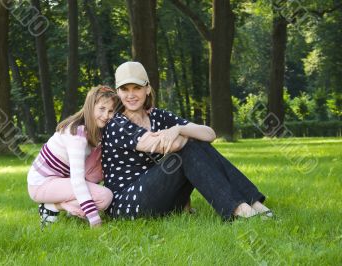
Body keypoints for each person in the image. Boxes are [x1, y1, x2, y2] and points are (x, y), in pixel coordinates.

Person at [101, 62, 273, 221]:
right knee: (188, 147)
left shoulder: (157, 116)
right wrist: (186, 136)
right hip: (127, 203)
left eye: (136, 88)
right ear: (118, 92)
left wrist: (179, 129)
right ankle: (240, 209)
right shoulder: (117, 124)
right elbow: (172, 145)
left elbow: (209, 134)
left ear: (147, 89)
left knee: (196, 143)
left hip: (160, 196)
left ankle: (253, 203)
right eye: (124, 89)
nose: (130, 95)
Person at [27, 85, 119, 228]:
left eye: (110, 111)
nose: (106, 115)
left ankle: (59, 206)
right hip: (41, 184)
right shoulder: (77, 134)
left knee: (98, 164)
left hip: (59, 180)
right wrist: (94, 220)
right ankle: (53, 207)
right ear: (90, 107)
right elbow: (77, 181)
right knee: (105, 197)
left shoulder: (94, 132)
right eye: (102, 109)